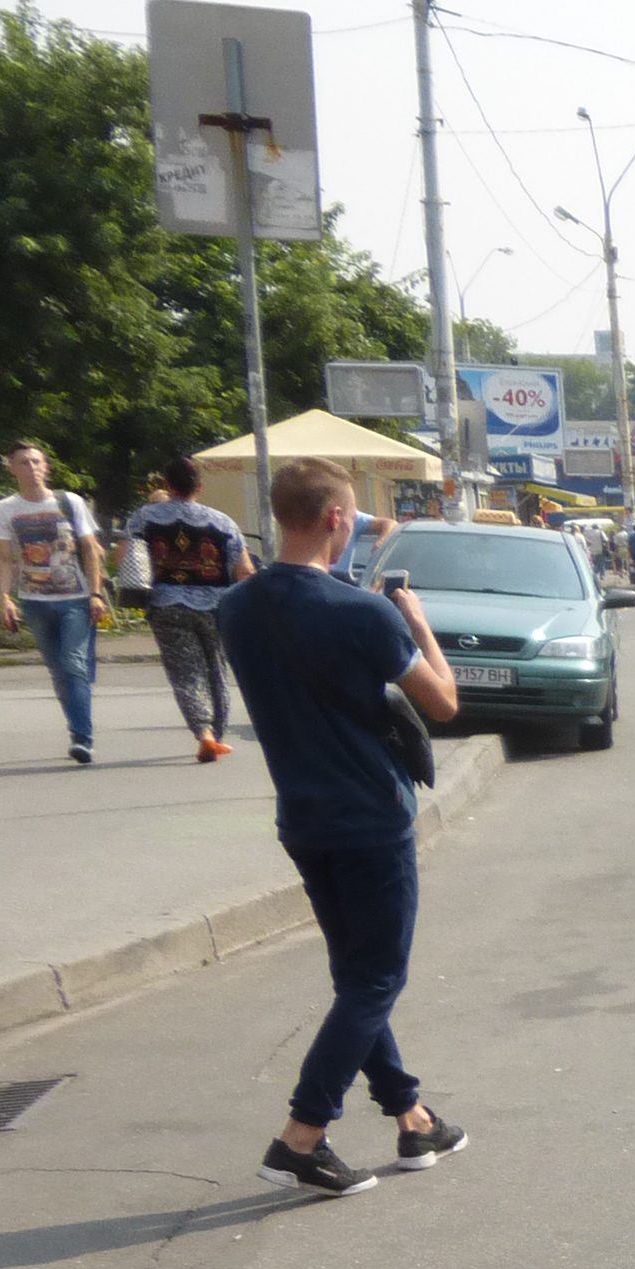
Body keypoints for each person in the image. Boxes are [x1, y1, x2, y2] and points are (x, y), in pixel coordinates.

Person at [213, 454, 470, 1199]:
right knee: (376, 979)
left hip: (302, 818)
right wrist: (417, 625)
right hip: (370, 818)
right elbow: (443, 702)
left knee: (357, 976)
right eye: (352, 514)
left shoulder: (236, 607)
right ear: (333, 517)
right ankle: (302, 1137)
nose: (353, 524)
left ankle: (413, 1118)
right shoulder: (364, 612)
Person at [119, 457, 254, 759]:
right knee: (216, 668)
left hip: (165, 604)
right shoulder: (222, 522)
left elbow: (124, 558)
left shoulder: (143, 518)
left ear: (166, 485)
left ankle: (204, 733)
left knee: (184, 672)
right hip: (216, 607)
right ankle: (217, 734)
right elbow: (245, 570)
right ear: (200, 486)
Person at [0, 441, 110, 764]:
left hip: (76, 598)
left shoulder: (69, 502)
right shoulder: (4, 509)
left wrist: (95, 593)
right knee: (58, 670)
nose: (31, 468)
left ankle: (82, 738)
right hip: (35, 601)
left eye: (36, 461)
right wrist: (5, 598)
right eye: (24, 462)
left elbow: (89, 549)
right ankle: (76, 727)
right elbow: (5, 559)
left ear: (46, 467)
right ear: (12, 469)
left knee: (73, 664)